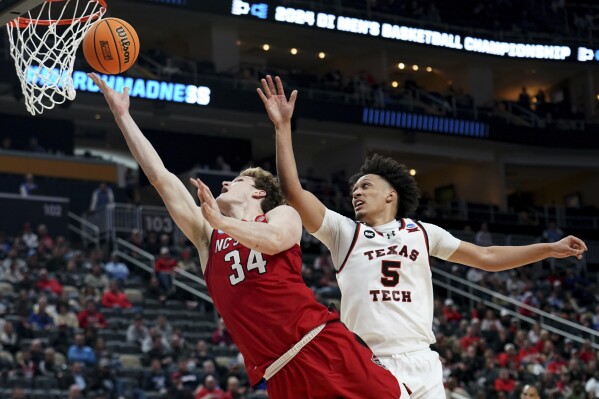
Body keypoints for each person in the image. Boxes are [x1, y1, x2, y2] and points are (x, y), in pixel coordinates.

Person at [262, 74, 588, 398]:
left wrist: (547, 248)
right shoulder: (344, 232)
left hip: (423, 359)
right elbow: (293, 192)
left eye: (366, 186)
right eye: (354, 190)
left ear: (391, 195)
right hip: (371, 360)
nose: (356, 194)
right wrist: (282, 128)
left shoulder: (422, 232)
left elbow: (486, 257)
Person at [89, 72, 404, 399]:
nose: (224, 184)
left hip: (320, 344)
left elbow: (273, 241)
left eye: (236, 181)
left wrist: (222, 223)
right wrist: (123, 117)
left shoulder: (281, 214)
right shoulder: (208, 235)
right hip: (279, 373)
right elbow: (162, 179)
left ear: (258, 195)